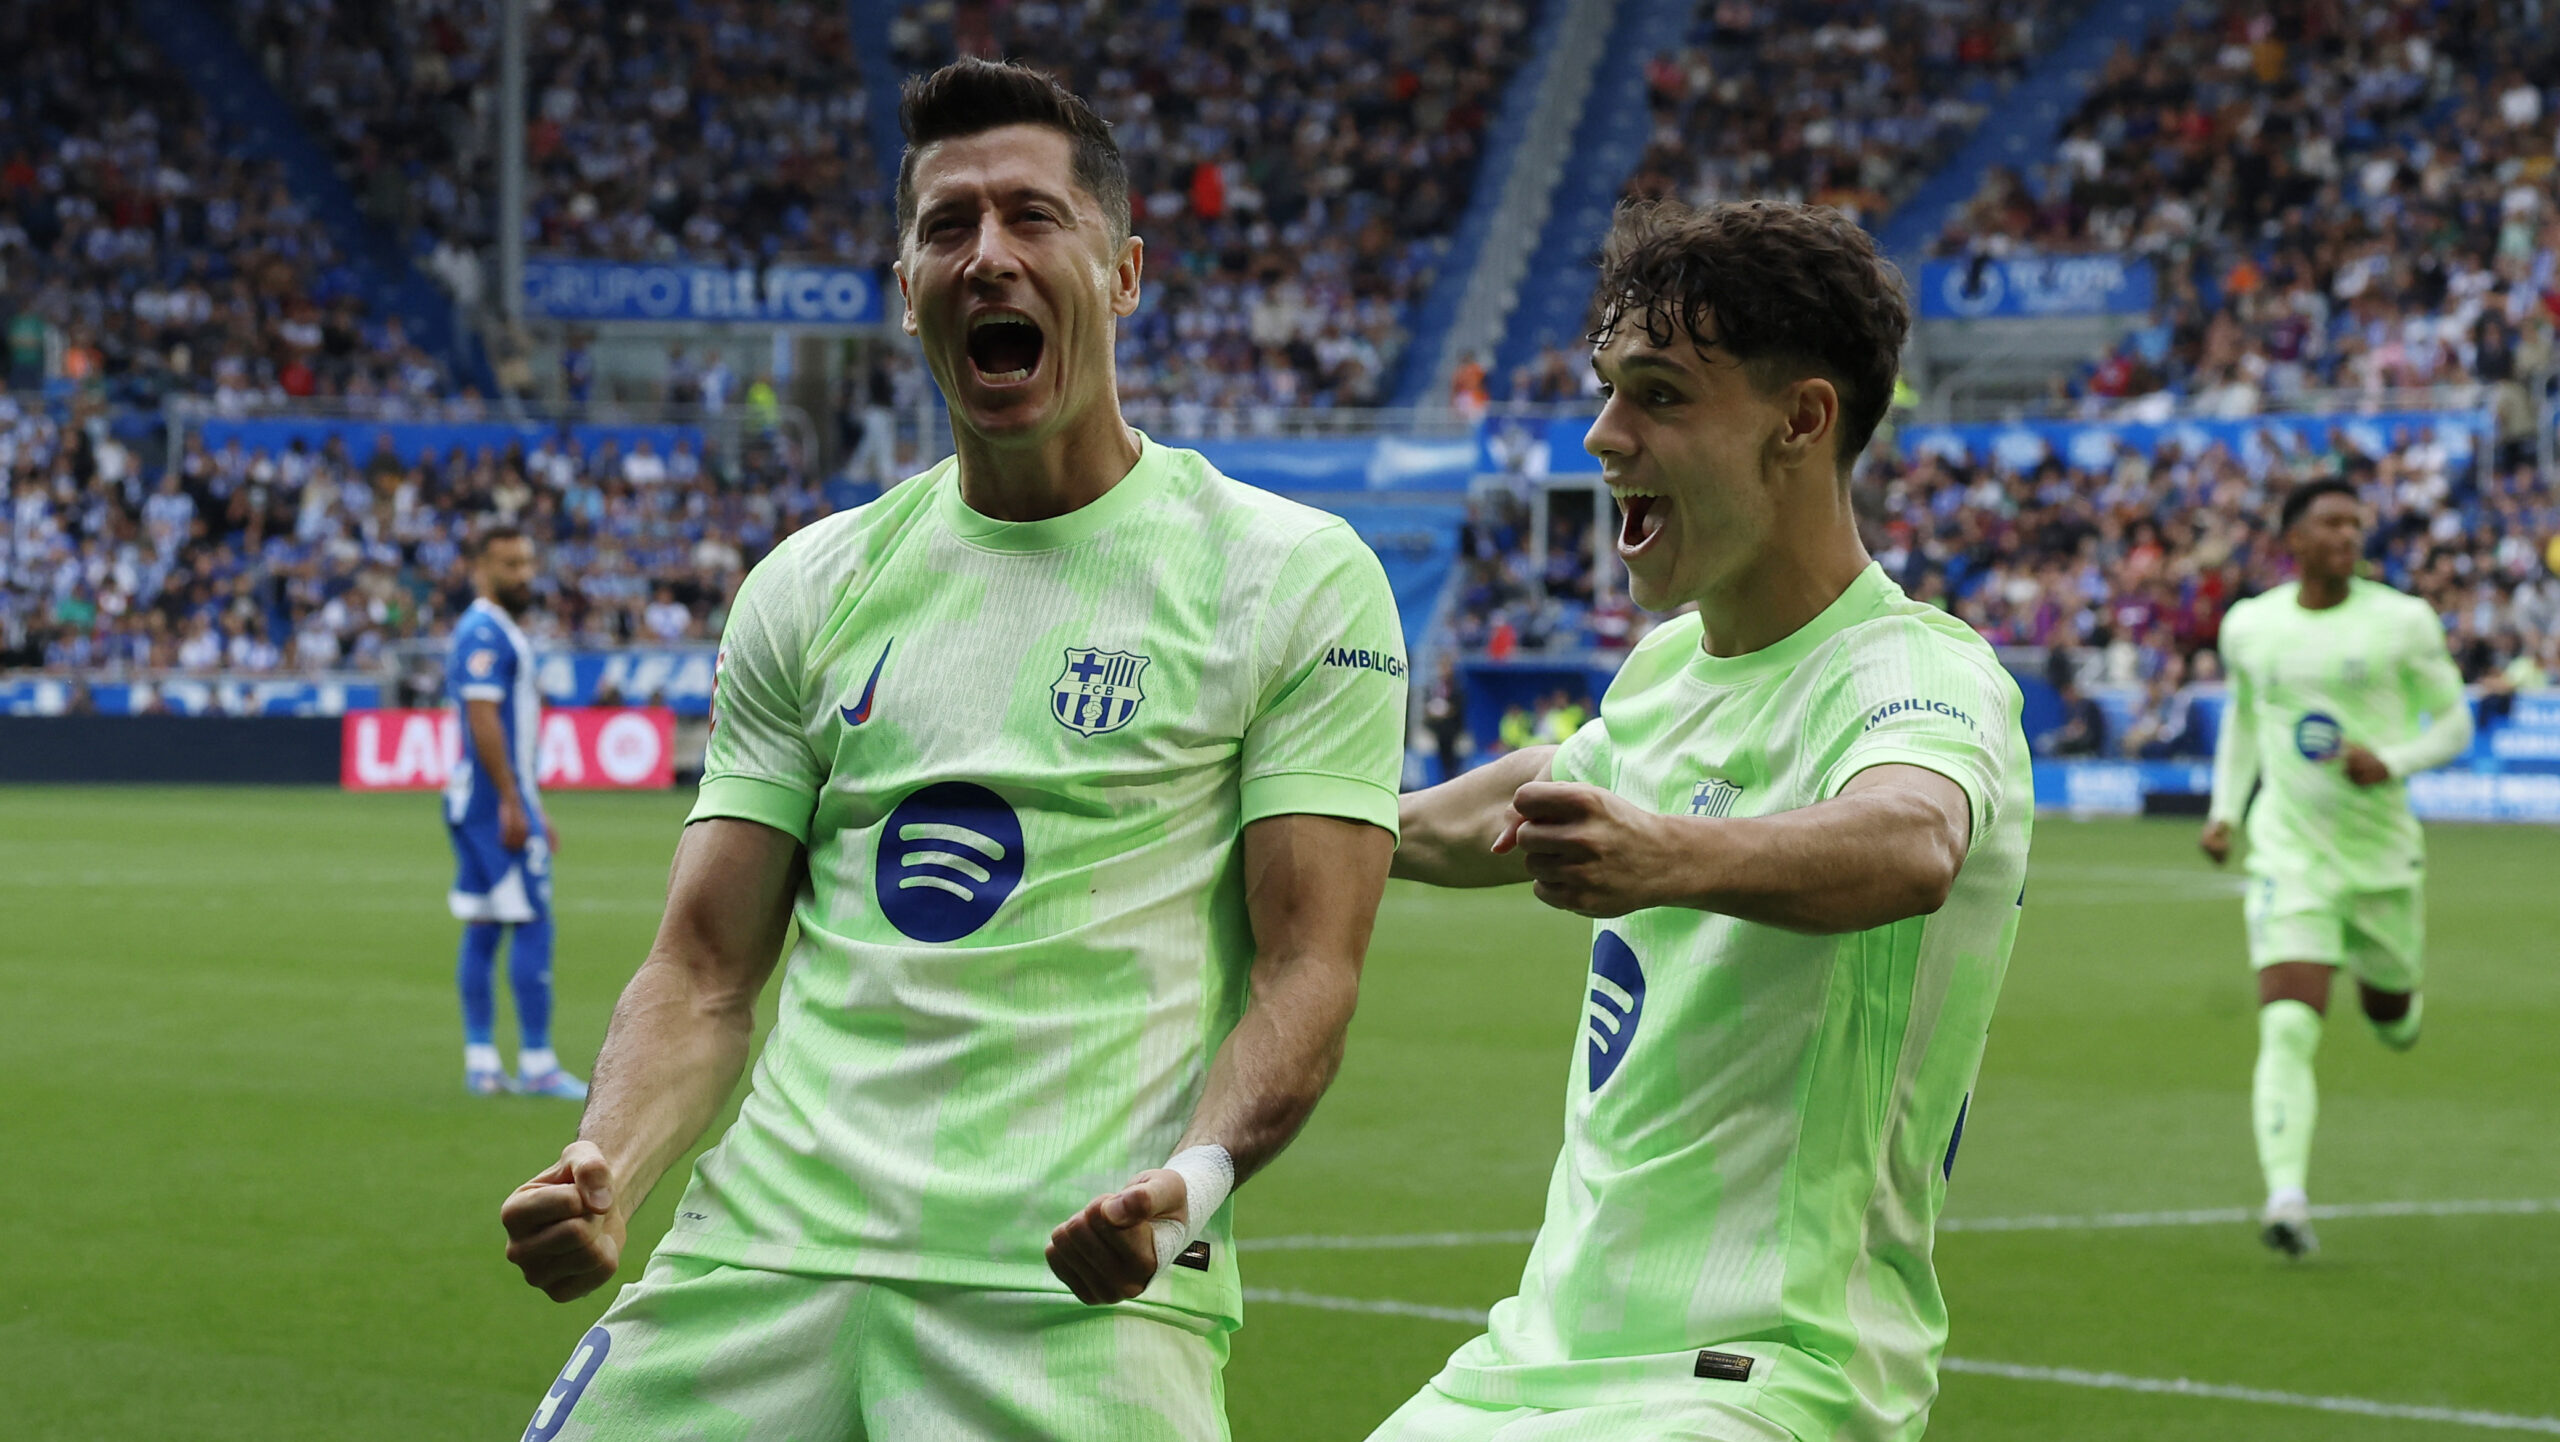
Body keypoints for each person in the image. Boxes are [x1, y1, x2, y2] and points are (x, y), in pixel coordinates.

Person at [498, 59, 1407, 1441]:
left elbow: (1309, 964)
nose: (988, 255)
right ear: (905, 281)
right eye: (947, 227)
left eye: (1034, 219)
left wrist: (1192, 1182)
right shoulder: (810, 584)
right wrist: (609, 1159)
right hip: (757, 1264)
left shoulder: (1289, 577)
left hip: (1075, 1289)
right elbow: (702, 963)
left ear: (1124, 274)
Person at [1380, 199, 2031, 1442]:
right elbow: (1524, 799)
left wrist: (1662, 851)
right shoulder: (1667, 668)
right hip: (1537, 1351)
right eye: (1608, 389)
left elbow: (1909, 841)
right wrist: (1303, 820)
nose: (1601, 434)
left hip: (1754, 1370)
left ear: (1801, 420)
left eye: (1659, 396)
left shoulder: (1917, 671)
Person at [2200, 477, 2473, 1258]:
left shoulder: (2403, 622)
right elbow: (2244, 721)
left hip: (2382, 857)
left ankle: (2403, 1008)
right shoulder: (2251, 627)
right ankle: (2286, 1200)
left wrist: (2391, 760)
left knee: (2392, 1023)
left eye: (2357, 523)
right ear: (2293, 538)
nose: (2348, 535)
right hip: (2290, 852)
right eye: (2331, 523)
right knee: (2287, 1023)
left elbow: (2454, 722)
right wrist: (2226, 811)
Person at [445, 524, 583, 1099]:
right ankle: (537, 1063)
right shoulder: (487, 632)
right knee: (533, 922)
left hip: (477, 795)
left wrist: (530, 800)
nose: (524, 575)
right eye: (509, 565)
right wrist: (511, 798)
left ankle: (481, 1061)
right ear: (480, 569)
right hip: (489, 800)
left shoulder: (488, 630)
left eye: (527, 562)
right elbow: (483, 719)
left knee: (484, 922)